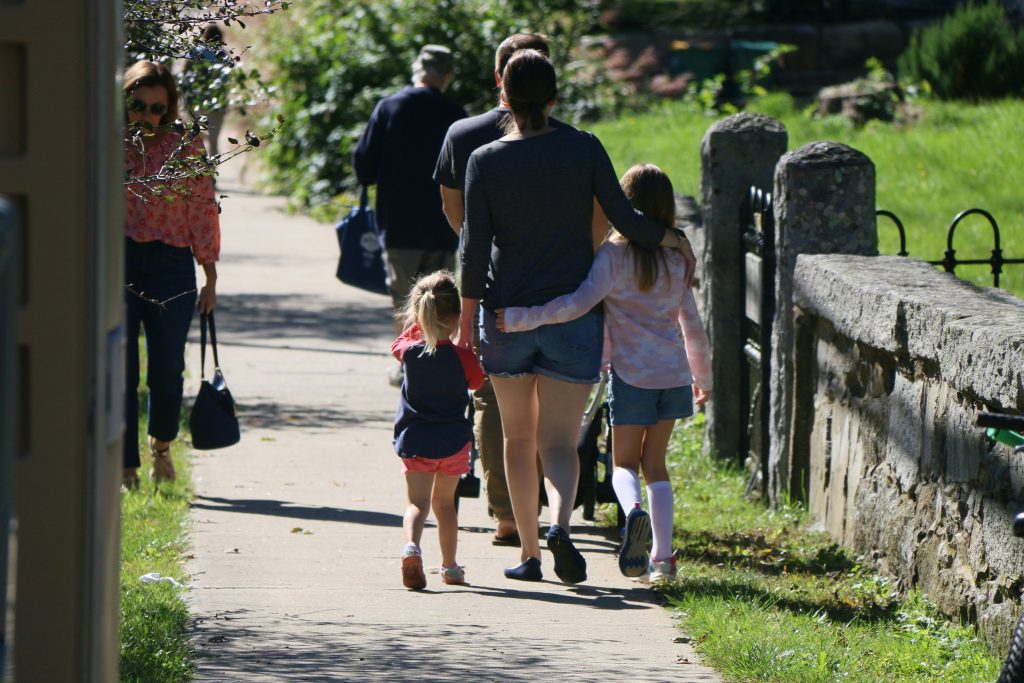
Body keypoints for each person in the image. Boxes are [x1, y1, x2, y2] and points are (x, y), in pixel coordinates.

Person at [458, 50, 695, 584]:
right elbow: (624, 215)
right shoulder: (583, 148)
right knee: (559, 442)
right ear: (556, 96)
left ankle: (530, 552)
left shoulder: (486, 160)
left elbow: (473, 249)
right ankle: (562, 523)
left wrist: (468, 320)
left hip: (506, 316)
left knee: (517, 440)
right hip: (572, 318)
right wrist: (673, 239)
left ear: (503, 95)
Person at [497, 164, 712, 582]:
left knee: (623, 465)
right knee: (658, 466)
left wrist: (524, 318)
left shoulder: (613, 257)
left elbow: (577, 304)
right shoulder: (676, 257)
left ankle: (632, 513)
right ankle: (664, 560)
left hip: (632, 377)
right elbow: (693, 325)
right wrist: (702, 378)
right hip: (673, 375)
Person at [433, 32, 556, 548]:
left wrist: (476, 249)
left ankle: (507, 514)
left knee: (490, 400)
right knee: (547, 400)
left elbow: (450, 206)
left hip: (486, 281)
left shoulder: (464, 134)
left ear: (498, 79)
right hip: (555, 281)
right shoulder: (566, 138)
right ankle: (548, 508)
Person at [123, 60, 220, 489]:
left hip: (172, 264)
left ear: (170, 107)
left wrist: (210, 272)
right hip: (121, 260)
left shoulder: (185, 145)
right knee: (121, 368)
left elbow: (202, 207)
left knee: (166, 369)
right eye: (138, 106)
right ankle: (126, 467)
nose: (147, 117)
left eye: (157, 109)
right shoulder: (108, 143)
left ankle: (161, 446)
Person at [353, 45, 467, 386]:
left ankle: (407, 366)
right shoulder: (455, 114)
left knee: (406, 298)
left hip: (399, 224)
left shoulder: (389, 108)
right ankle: (438, 363)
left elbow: (364, 166)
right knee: (440, 299)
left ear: (416, 70)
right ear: (446, 76)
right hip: (444, 224)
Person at [391, 271, 485, 590]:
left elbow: (398, 343)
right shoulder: (463, 358)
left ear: (419, 314)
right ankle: (450, 567)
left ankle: (411, 548)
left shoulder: (409, 352)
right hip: (453, 444)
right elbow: (477, 383)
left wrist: (421, 325)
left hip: (416, 441)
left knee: (417, 504)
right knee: (445, 506)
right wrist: (465, 342)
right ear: (457, 316)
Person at [183, 24, 231, 159]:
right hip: (217, 104)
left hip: (196, 102)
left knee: (197, 138)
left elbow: (185, 74)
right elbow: (226, 82)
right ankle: (212, 174)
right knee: (213, 140)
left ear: (205, 36)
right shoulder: (224, 56)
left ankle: (198, 172)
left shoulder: (195, 52)